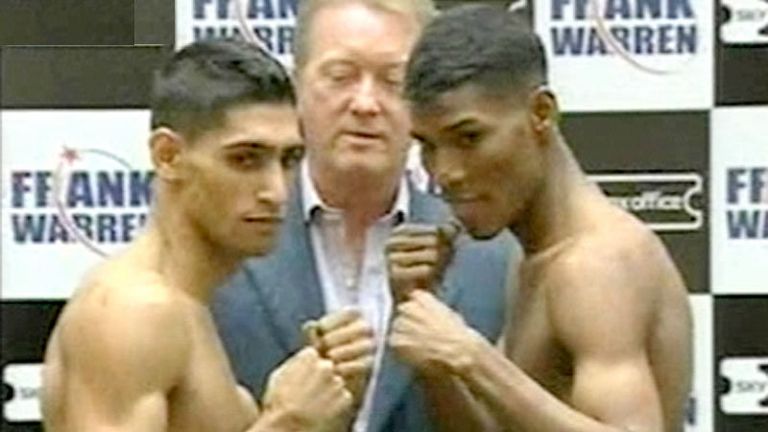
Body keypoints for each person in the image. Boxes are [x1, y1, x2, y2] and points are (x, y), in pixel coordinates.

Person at [211, 1, 516, 431]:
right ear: (297, 88)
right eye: (341, 76)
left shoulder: (493, 257)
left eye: (394, 81)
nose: (366, 103)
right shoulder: (219, 249)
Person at [389, 5, 693, 432]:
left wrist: (474, 359)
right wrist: (435, 359)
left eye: (469, 137)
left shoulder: (593, 265)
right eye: (428, 146)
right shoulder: (535, 252)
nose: (445, 172)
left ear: (541, 114)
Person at [41, 39, 354, 432]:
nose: (276, 191)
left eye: (289, 159)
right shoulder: (132, 309)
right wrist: (286, 423)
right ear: (168, 156)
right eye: (245, 159)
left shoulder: (187, 305)